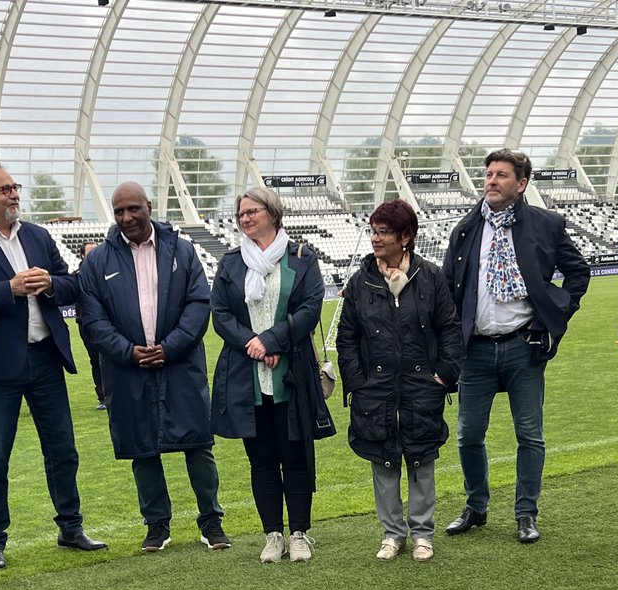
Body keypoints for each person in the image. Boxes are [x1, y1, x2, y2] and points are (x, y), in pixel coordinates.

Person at [0, 163, 106, 570]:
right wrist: (8, 289)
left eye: (15, 188)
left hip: (45, 357)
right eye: (5, 189)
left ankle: (71, 526)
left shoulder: (37, 234)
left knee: (63, 449)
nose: (14, 195)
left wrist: (49, 283)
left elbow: (71, 283)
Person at [442, 148, 590, 544]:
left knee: (530, 435)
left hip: (524, 347)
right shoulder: (466, 229)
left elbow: (578, 272)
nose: (492, 180)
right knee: (469, 435)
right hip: (475, 350)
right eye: (489, 174)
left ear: (521, 184)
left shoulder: (546, 224)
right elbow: (447, 289)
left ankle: (526, 513)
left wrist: (557, 312)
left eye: (502, 175)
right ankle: (476, 506)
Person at [77, 182, 230, 552]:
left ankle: (211, 521)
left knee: (197, 443)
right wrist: (127, 352)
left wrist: (171, 347)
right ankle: (157, 525)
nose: (126, 217)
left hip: (179, 365)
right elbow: (92, 318)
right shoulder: (98, 260)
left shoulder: (181, 250)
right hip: (128, 369)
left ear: (148, 206)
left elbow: (198, 304)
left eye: (133, 209)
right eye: (119, 212)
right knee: (142, 447)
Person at [211, 187, 335, 563]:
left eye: (253, 211)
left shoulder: (302, 258)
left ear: (273, 213)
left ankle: (299, 533)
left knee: (295, 453)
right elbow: (220, 314)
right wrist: (252, 343)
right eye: (241, 213)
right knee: (261, 459)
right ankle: (273, 535)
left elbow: (311, 307)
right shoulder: (231, 263)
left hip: (291, 372)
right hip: (246, 377)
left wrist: (272, 341)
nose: (245, 218)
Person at [336, 200, 461, 561]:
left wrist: (444, 374)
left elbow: (449, 328)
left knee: (421, 460)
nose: (375, 238)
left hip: (422, 386)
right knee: (384, 461)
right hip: (375, 389)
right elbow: (347, 337)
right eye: (373, 231)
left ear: (406, 236)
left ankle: (423, 533)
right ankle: (392, 534)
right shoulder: (361, 281)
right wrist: (357, 382)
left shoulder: (431, 277)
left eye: (383, 231)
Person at [77, 241, 107, 410]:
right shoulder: (77, 276)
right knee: (96, 361)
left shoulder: (108, 270)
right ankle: (103, 397)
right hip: (87, 324)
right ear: (82, 255)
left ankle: (116, 395)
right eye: (90, 252)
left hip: (108, 323)